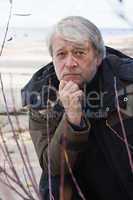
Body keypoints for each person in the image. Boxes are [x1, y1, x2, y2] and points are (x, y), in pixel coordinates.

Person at [21, 16, 133, 200]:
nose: (70, 63)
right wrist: (73, 120)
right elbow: (54, 168)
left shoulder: (127, 85)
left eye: (79, 52)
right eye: (61, 54)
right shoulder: (41, 97)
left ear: (98, 57)